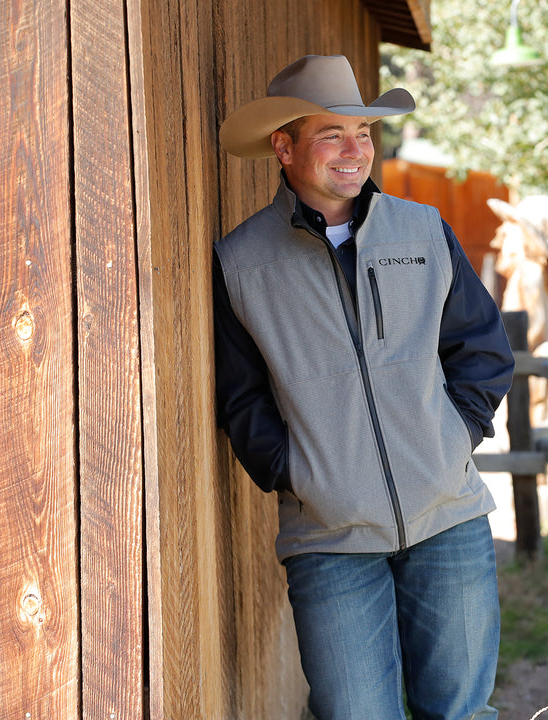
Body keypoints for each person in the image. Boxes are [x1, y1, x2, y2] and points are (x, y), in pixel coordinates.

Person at [213, 54, 514, 720]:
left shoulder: (424, 231)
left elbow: (482, 352)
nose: (355, 152)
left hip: (448, 518)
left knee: (461, 713)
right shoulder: (241, 261)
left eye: (364, 134)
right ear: (284, 146)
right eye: (332, 135)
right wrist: (299, 474)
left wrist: (449, 440)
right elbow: (241, 400)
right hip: (329, 540)